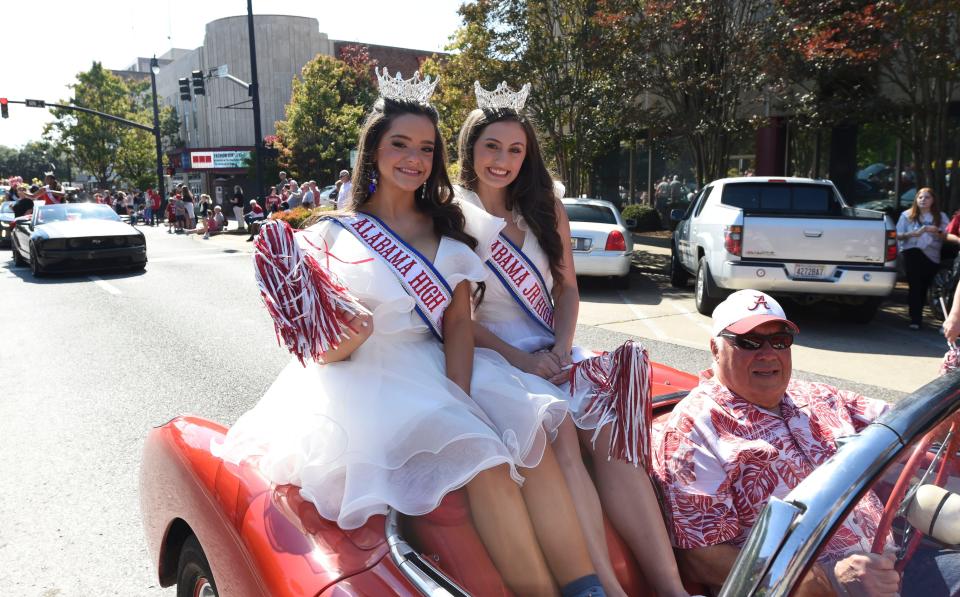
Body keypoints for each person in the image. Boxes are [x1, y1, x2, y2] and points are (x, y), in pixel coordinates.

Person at [212, 71, 605, 597]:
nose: (413, 157)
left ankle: (585, 586)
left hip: (441, 367)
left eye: (425, 147)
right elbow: (322, 352)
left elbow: (459, 326)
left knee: (530, 434)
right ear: (373, 149)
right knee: (485, 461)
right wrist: (352, 336)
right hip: (369, 379)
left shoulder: (450, 227)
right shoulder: (326, 237)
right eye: (400, 144)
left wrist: (460, 394)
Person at [454, 83, 690, 597]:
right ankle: (604, 587)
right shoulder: (452, 217)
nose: (503, 160)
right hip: (496, 355)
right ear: (471, 147)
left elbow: (567, 289)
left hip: (553, 348)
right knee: (559, 431)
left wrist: (561, 349)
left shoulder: (544, 206)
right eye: (491, 146)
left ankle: (670, 586)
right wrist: (525, 359)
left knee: (614, 435)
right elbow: (456, 318)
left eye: (516, 149)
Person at [655, 289, 904, 596]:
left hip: (897, 561)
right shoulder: (695, 429)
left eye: (780, 340)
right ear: (715, 349)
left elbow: (901, 423)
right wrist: (829, 580)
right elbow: (702, 559)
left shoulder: (817, 396)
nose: (768, 353)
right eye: (749, 342)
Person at [896, 188, 950, 330]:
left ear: (933, 200)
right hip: (912, 252)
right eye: (920, 197)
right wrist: (912, 234)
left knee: (925, 286)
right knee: (915, 285)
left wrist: (936, 231)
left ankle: (932, 316)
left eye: (927, 197)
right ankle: (915, 318)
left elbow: (947, 235)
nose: (923, 200)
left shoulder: (941, 216)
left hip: (932, 255)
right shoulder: (907, 215)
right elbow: (897, 234)